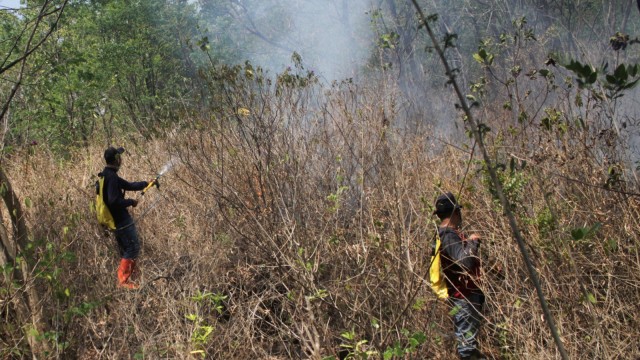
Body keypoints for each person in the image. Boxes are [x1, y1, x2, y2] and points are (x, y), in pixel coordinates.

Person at [433, 192, 485, 360]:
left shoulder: (447, 235)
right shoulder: (448, 236)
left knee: (469, 347)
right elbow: (465, 262)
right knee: (467, 349)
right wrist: (473, 242)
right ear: (456, 213)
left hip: (464, 297)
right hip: (463, 298)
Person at [98, 146, 151, 289]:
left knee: (126, 250)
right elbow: (114, 201)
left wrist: (147, 184)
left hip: (115, 220)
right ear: (117, 159)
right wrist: (130, 202)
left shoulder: (107, 174)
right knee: (133, 248)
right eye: (119, 157)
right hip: (121, 220)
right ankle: (123, 282)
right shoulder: (111, 177)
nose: (121, 159)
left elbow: (128, 185)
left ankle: (129, 279)